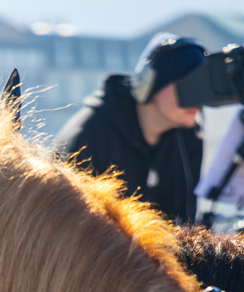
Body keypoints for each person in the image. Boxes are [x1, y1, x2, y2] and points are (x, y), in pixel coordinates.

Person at [55, 33, 206, 223]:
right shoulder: (91, 134)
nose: (197, 98)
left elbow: (184, 222)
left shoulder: (187, 135)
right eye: (187, 86)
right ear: (150, 83)